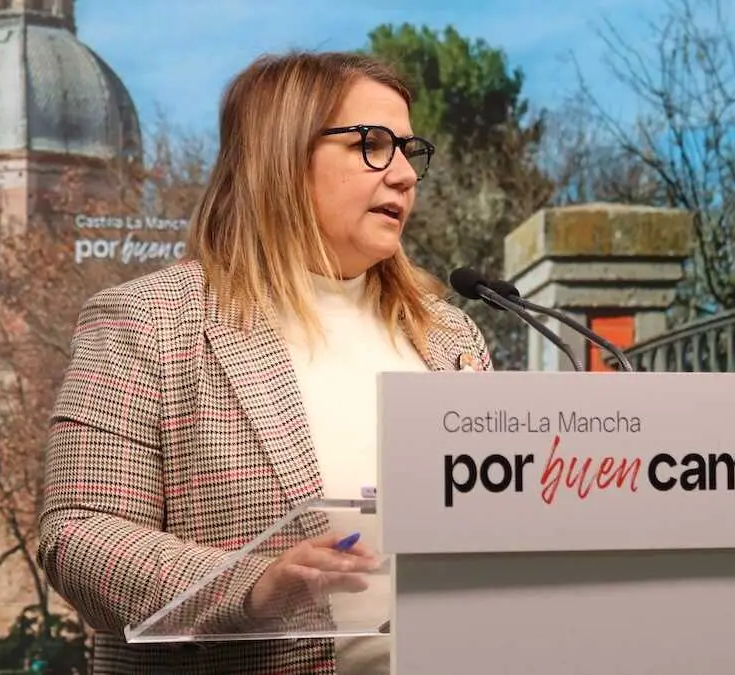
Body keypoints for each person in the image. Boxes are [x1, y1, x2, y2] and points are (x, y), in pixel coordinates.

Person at [36, 50, 494, 674]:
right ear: (280, 155)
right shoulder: (147, 322)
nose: (406, 175)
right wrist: (252, 586)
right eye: (374, 144)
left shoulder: (449, 335)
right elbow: (79, 537)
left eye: (410, 151)